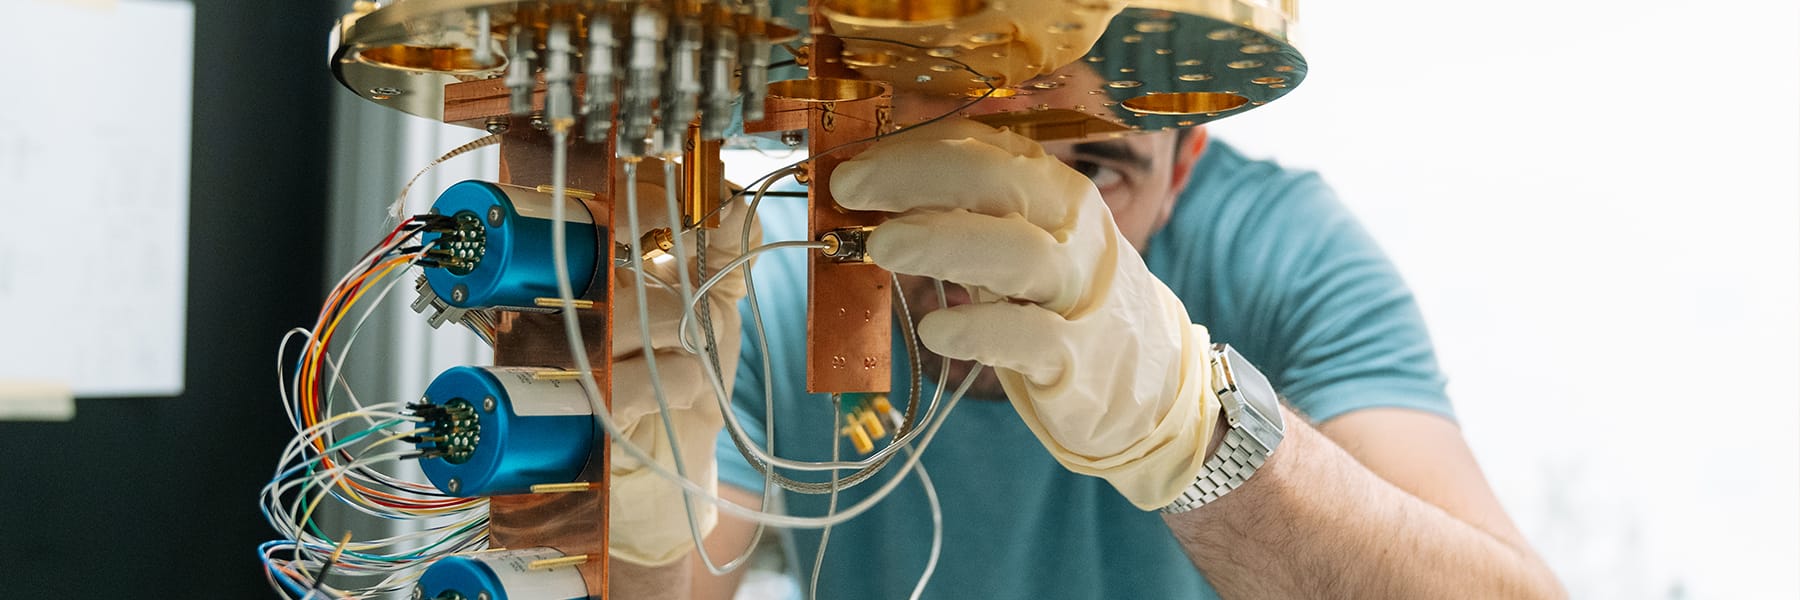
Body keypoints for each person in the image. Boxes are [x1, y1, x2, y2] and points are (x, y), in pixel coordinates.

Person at [667, 114, 1564, 600]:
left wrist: (1198, 429)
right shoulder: (766, 272)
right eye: (944, 158)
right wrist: (636, 528)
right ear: (853, 136)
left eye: (1093, 173)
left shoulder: (1273, 250)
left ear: (1183, 167)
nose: (998, 252)